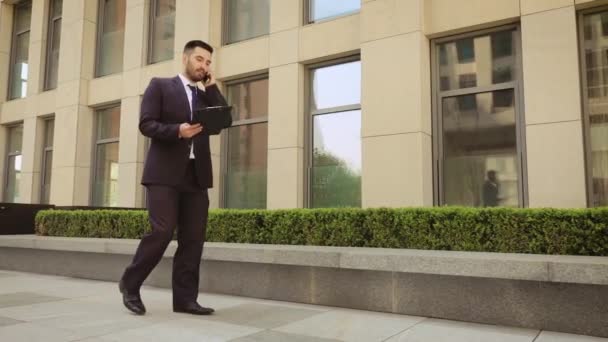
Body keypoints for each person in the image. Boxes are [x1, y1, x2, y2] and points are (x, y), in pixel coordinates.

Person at [118, 40, 227, 316]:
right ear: (185, 59)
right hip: (164, 174)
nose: (204, 66)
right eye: (200, 60)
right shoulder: (160, 86)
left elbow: (224, 120)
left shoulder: (205, 96)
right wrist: (177, 131)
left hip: (196, 175)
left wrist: (212, 86)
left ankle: (185, 300)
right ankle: (130, 284)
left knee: (193, 240)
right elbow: (146, 124)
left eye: (208, 62)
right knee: (162, 231)